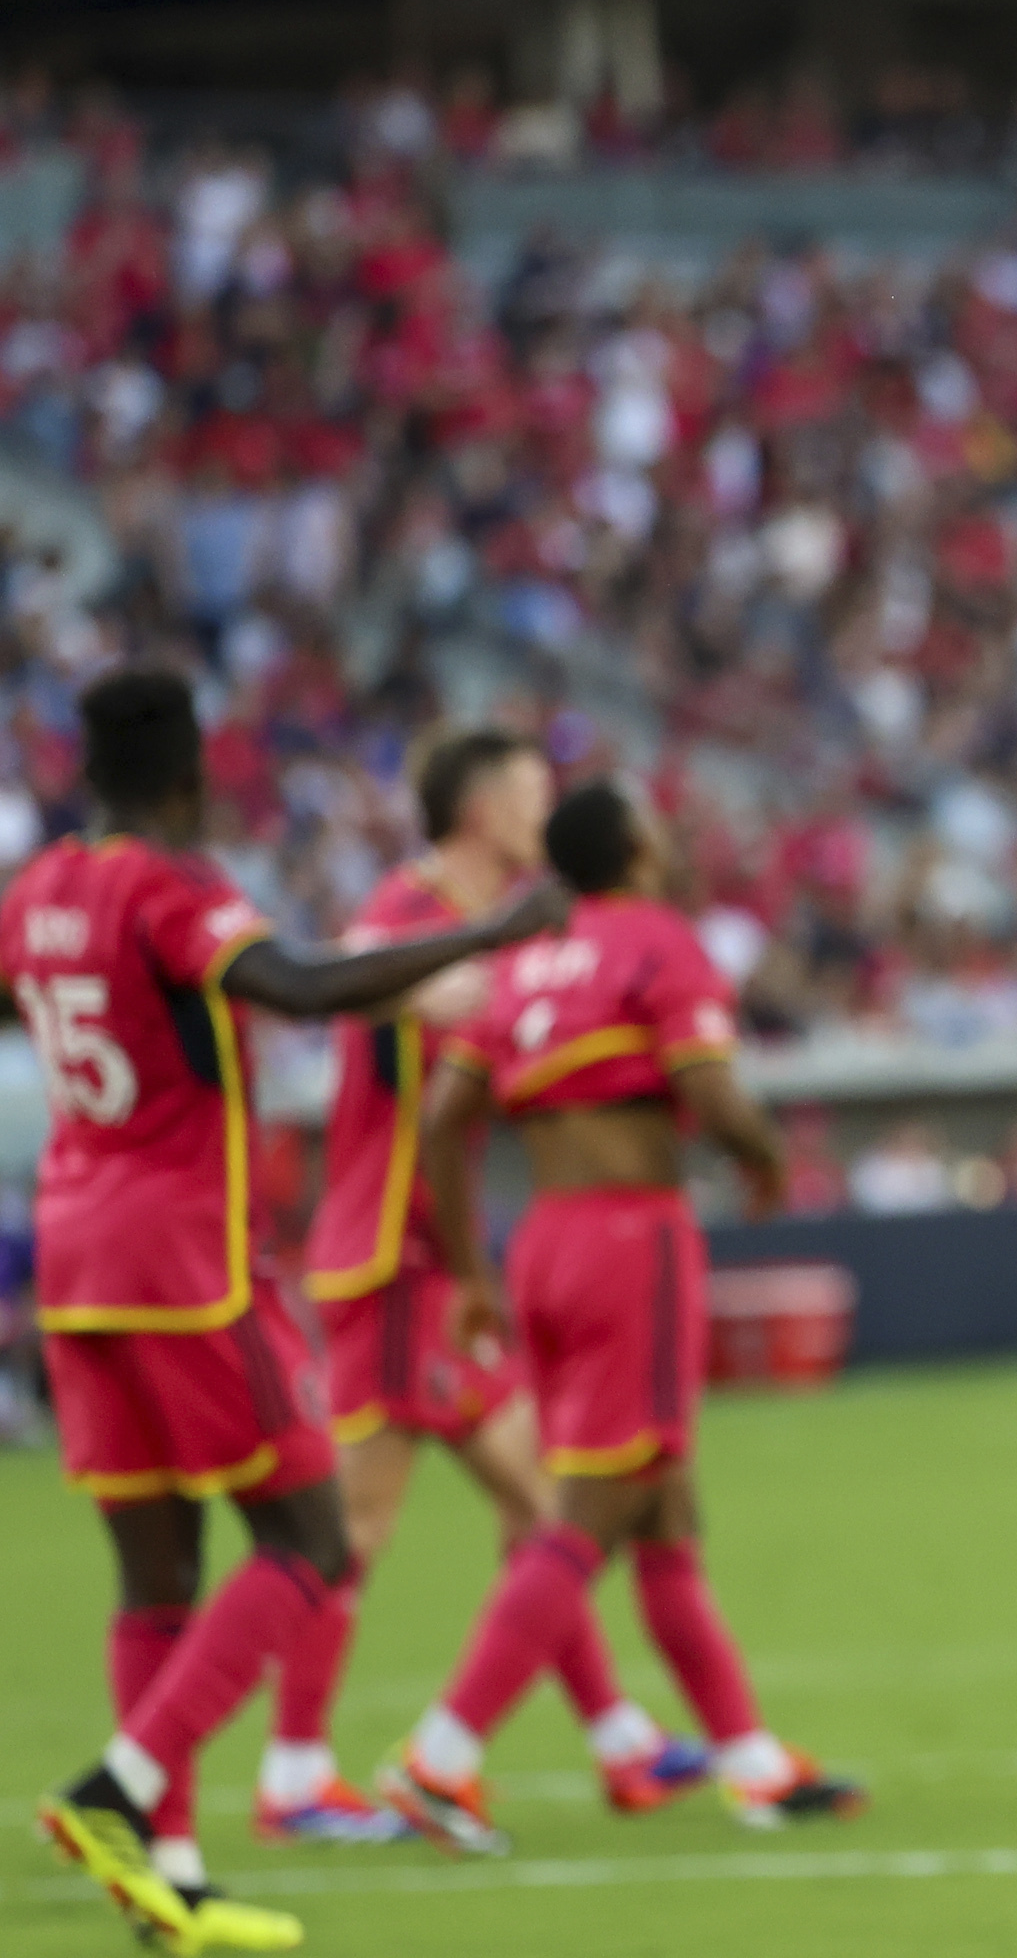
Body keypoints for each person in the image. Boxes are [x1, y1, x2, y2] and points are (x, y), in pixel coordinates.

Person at [15, 668, 564, 1952]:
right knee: (310, 1539)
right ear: (189, 765)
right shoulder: (175, 885)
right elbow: (304, 985)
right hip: (182, 1258)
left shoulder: (34, 893)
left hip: (74, 1252)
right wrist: (493, 932)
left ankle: (172, 1881)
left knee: (156, 1571)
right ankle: (121, 1786)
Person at [375, 781, 861, 1853]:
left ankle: (749, 1761)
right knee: (591, 1514)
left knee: (662, 1508)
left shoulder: (524, 960)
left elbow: (445, 1118)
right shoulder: (658, 941)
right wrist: (769, 1160)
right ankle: (439, 1757)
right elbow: (715, 1090)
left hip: (543, 1241)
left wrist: (466, 1269)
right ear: (635, 846)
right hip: (630, 1241)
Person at [260, 729, 707, 1843]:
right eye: (526, 790)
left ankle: (620, 1741)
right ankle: (296, 1770)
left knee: (540, 1508)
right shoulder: (407, 908)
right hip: (387, 1252)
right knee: (360, 1518)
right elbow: (355, 992)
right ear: (475, 805)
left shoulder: (520, 921)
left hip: (437, 1260)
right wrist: (448, 991)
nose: (540, 810)